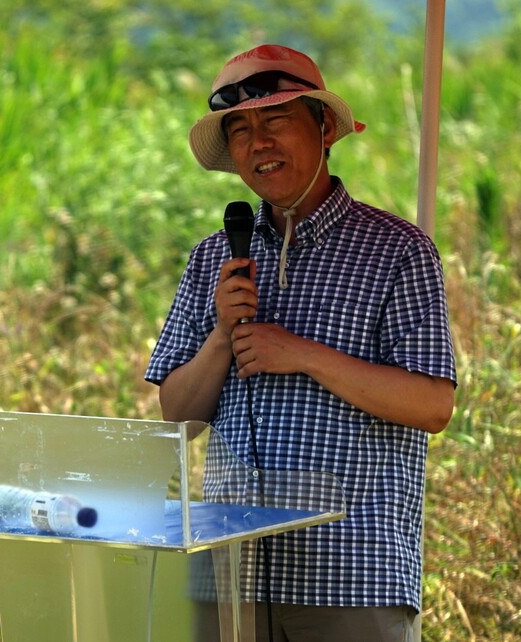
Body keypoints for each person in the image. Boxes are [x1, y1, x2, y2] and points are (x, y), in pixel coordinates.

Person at [145, 44, 458, 642]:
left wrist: (302, 354)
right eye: (240, 130)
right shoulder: (215, 255)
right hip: (229, 578)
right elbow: (176, 420)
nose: (258, 143)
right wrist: (219, 339)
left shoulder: (397, 250)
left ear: (324, 129)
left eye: (276, 120)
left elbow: (433, 406)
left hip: (350, 579)